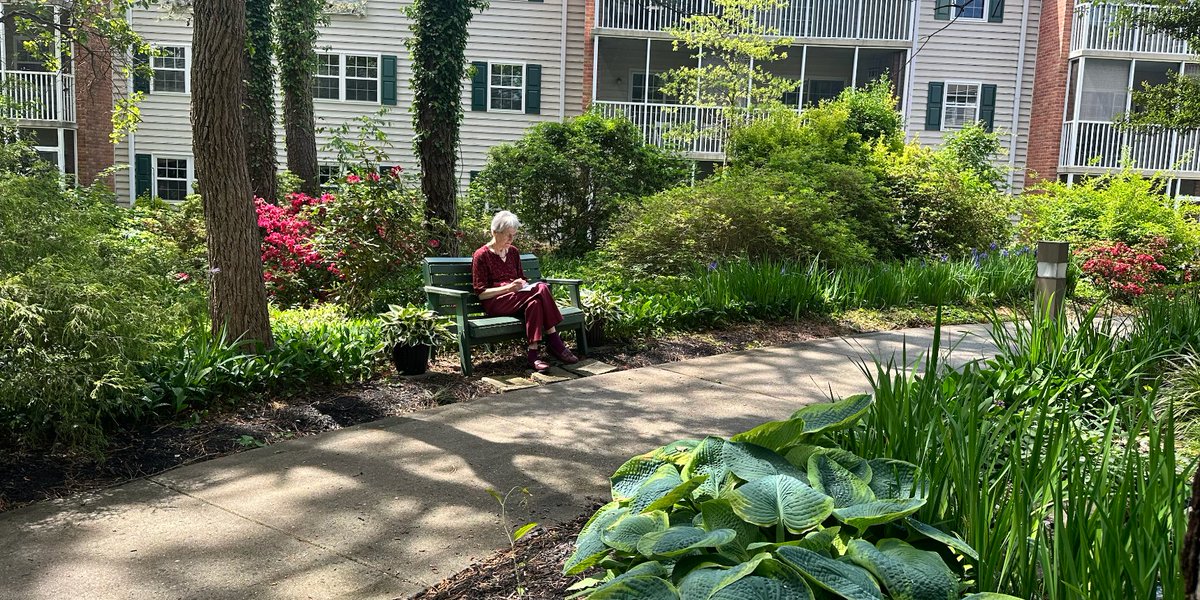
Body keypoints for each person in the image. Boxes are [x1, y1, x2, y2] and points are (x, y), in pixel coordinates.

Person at [471, 210, 580, 372]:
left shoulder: (513, 252)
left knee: (535, 303)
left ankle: (533, 356)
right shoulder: (481, 255)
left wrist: (521, 285)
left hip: (517, 298)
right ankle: (555, 341)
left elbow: (522, 279)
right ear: (494, 232)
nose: (511, 239)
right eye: (508, 235)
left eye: (513, 235)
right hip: (495, 303)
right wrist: (509, 287)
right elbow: (481, 293)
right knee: (541, 287)